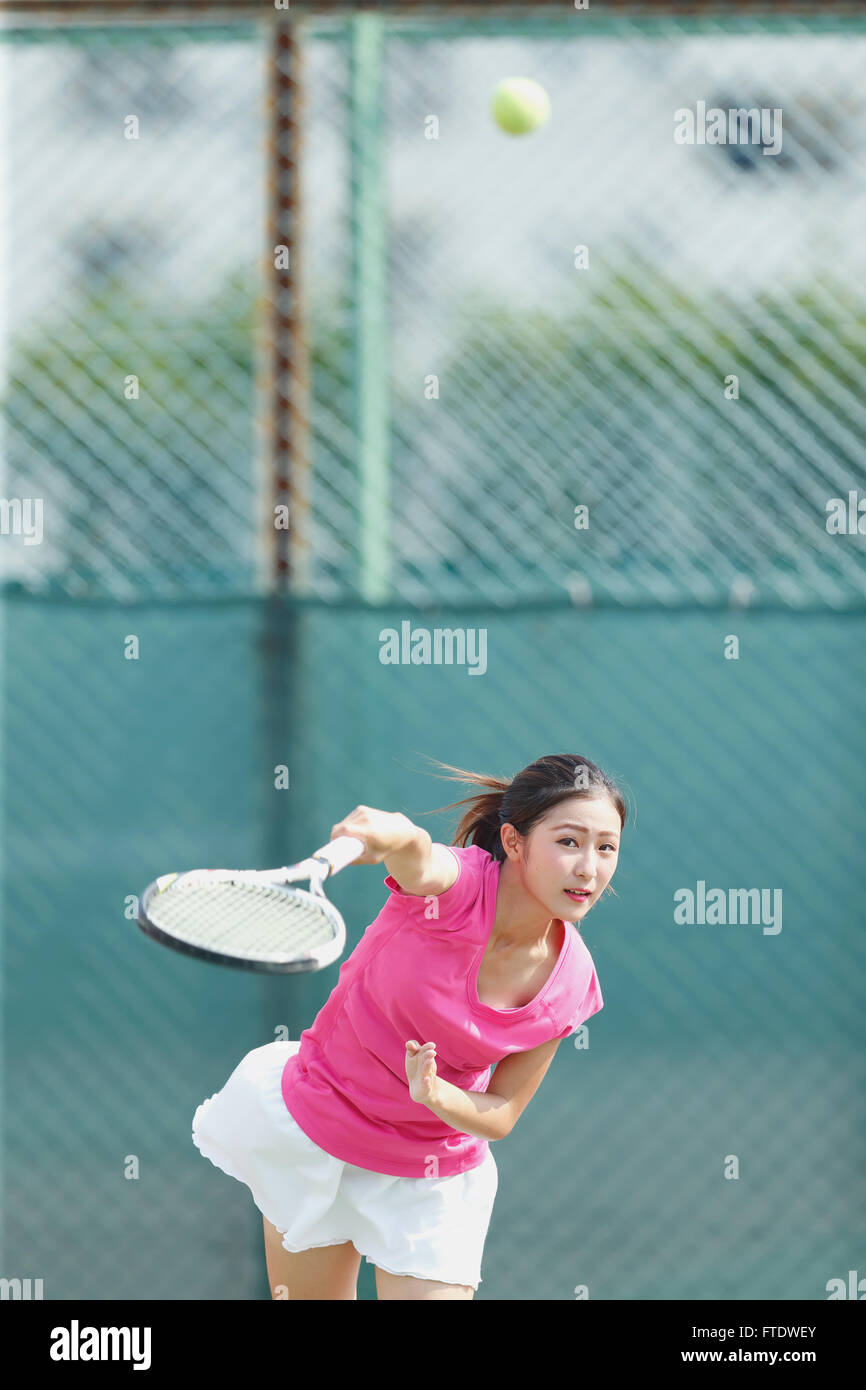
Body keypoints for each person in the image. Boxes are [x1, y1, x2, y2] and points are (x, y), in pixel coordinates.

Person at [192, 753, 626, 1300]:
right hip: (321, 1127)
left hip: (430, 1174)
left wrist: (435, 1094)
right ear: (514, 842)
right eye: (569, 842)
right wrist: (388, 830)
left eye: (606, 847)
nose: (589, 868)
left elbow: (503, 1113)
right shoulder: (455, 888)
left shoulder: (571, 982)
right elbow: (415, 852)